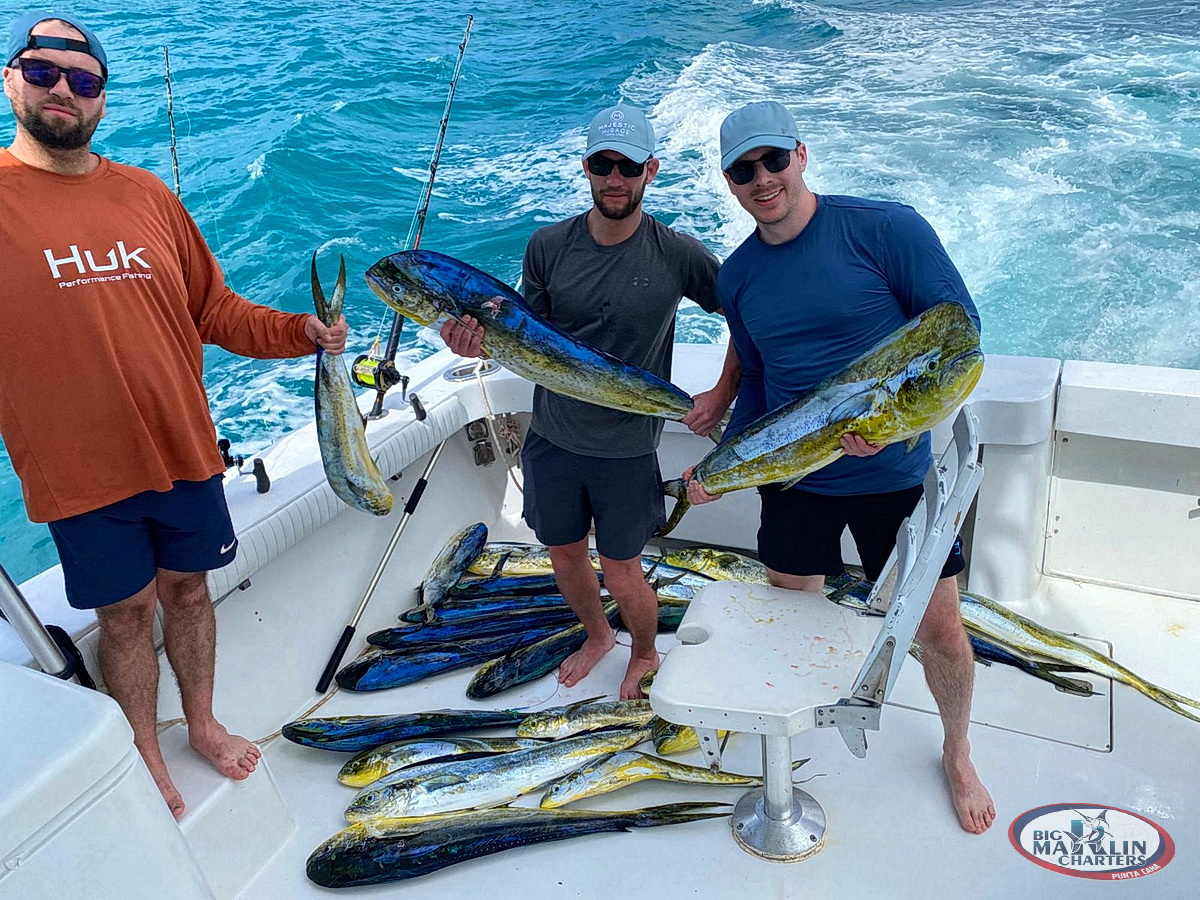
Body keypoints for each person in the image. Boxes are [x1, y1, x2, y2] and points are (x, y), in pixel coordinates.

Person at [0, 13, 348, 820]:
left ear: (101, 101)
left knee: (188, 593)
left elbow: (215, 309)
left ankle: (199, 723)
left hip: (184, 452)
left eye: (84, 81)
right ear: (9, 79)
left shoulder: (146, 194)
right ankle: (144, 752)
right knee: (124, 617)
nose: (63, 90)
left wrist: (303, 333)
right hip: (82, 474)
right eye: (43, 72)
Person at [684, 100, 995, 834]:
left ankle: (956, 751)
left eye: (772, 160)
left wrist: (897, 429)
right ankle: (803, 727)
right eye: (742, 170)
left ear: (800, 153)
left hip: (895, 477)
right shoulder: (738, 278)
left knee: (939, 632)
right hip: (796, 483)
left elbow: (957, 335)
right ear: (728, 181)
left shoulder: (886, 228)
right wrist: (725, 465)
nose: (762, 179)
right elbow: (757, 379)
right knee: (793, 622)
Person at [441, 103, 740, 699]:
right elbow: (528, 336)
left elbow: (747, 313)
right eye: (603, 164)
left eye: (628, 167)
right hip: (552, 436)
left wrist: (722, 392)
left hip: (627, 449)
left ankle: (646, 651)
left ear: (650, 171)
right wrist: (472, 343)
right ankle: (599, 635)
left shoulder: (678, 254)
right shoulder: (547, 247)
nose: (615, 178)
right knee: (565, 555)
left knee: (624, 568)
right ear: (586, 167)